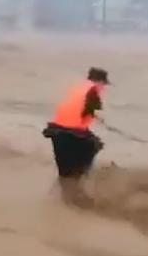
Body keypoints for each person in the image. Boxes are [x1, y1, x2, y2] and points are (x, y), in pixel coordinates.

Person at [42, 67, 109, 207]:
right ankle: (77, 193)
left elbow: (76, 110)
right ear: (99, 81)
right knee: (92, 147)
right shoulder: (93, 90)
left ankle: (66, 196)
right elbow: (89, 109)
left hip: (57, 130)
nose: (103, 88)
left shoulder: (80, 88)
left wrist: (91, 116)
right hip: (70, 133)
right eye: (103, 84)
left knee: (65, 169)